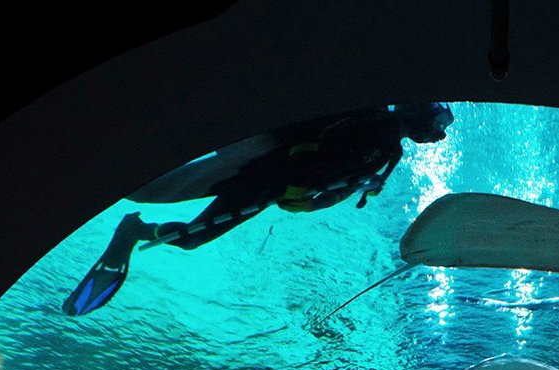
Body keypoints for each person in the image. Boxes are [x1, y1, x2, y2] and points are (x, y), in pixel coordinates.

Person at [63, 103, 455, 316]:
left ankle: (133, 228)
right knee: (183, 222)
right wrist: (301, 190)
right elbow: (323, 152)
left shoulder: (388, 151)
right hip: (265, 174)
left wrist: (307, 202)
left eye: (439, 129)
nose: (436, 135)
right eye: (438, 124)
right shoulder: (370, 118)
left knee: (187, 227)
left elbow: (343, 187)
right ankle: (131, 226)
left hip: (272, 183)